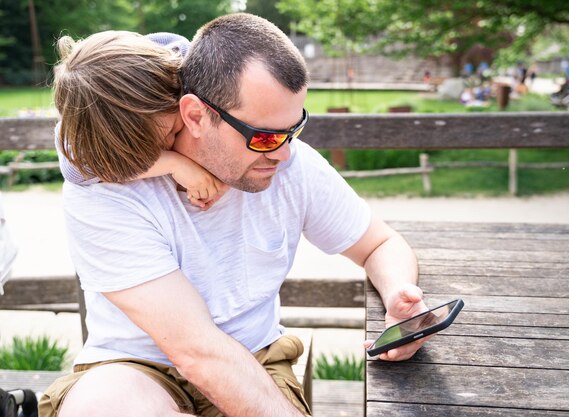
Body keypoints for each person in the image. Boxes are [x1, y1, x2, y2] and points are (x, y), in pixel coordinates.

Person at [40, 13, 429, 417]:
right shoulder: (105, 184)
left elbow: (380, 243)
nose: (284, 152)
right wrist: (176, 164)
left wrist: (400, 296)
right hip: (132, 369)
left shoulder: (287, 163)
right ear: (192, 115)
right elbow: (196, 352)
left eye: (294, 129)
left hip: (254, 359)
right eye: (264, 136)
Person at [53, 31, 223, 208]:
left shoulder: (187, 63)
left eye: (173, 130)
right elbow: (77, 171)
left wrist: (225, 177)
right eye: (153, 149)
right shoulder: (82, 143)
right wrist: (173, 163)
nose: (168, 146)